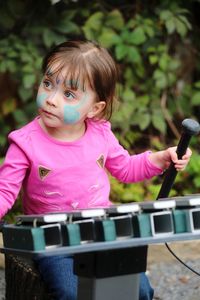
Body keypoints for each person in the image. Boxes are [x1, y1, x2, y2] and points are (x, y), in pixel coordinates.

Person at [0, 40, 191, 300]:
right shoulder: (25, 143)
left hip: (102, 233)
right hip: (54, 241)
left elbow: (125, 168)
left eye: (68, 94)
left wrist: (161, 159)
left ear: (95, 108)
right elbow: (4, 192)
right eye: (48, 83)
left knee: (140, 290)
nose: (51, 99)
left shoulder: (100, 133)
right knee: (72, 293)